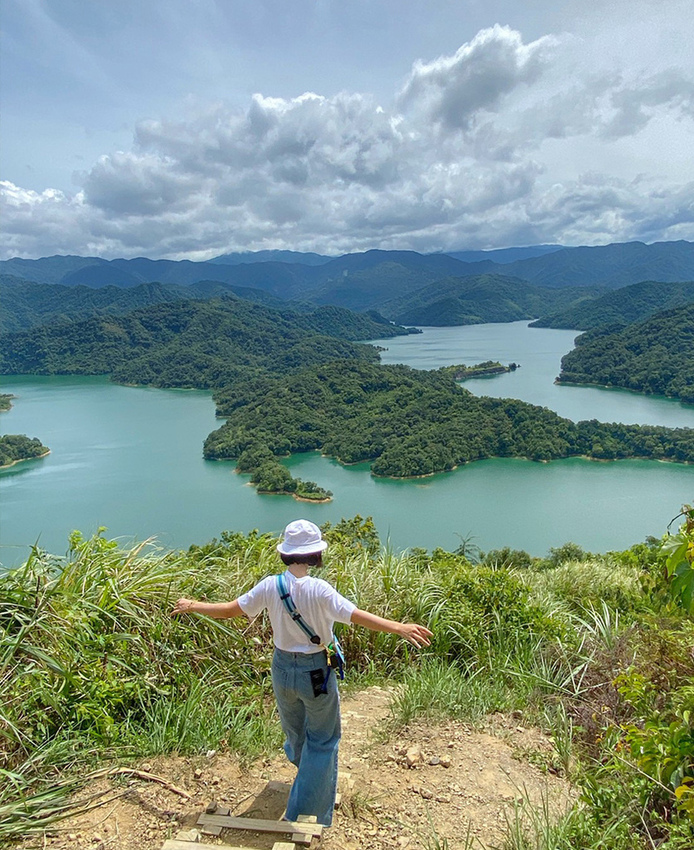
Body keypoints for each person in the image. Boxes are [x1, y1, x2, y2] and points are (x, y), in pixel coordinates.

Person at [171, 518, 432, 826]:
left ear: (286, 553)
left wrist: (192, 605)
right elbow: (356, 616)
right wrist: (398, 627)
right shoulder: (320, 590)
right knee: (322, 738)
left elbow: (229, 610)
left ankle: (309, 776)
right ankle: (305, 811)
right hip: (315, 673)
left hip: (282, 669)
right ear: (315, 555)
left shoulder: (270, 586)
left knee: (296, 733)